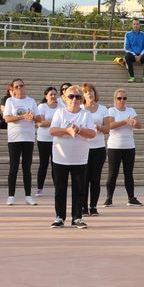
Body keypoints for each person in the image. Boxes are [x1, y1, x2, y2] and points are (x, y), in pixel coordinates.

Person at [49, 85, 96, 228]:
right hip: (60, 158)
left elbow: (92, 133)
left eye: (77, 97)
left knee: (79, 189)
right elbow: (52, 130)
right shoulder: (60, 113)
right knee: (60, 188)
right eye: (71, 96)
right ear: (65, 98)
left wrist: (79, 130)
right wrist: (67, 130)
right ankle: (59, 217)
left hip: (79, 158)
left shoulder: (86, 114)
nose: (74, 99)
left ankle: (77, 217)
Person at [3, 79, 41, 206]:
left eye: (21, 86)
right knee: (13, 167)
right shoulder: (10, 101)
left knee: (27, 168)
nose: (19, 88)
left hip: (28, 138)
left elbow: (39, 118)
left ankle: (28, 195)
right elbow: (7, 118)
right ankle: (11, 195)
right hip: (14, 138)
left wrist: (33, 117)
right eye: (17, 86)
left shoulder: (31, 101)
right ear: (13, 89)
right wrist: (22, 116)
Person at [104, 88, 143, 207]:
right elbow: (110, 125)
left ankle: (131, 198)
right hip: (115, 146)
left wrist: (134, 123)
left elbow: (139, 125)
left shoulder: (131, 110)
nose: (122, 100)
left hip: (129, 145)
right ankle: (109, 198)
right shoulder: (111, 110)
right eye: (119, 98)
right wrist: (125, 122)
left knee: (128, 173)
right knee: (113, 173)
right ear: (115, 99)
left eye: (124, 98)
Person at [81, 83, 111, 216]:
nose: (89, 94)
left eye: (91, 91)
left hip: (98, 148)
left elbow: (108, 129)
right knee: (84, 179)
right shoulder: (80, 108)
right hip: (83, 148)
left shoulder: (103, 109)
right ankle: (83, 207)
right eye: (86, 92)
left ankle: (93, 206)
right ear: (83, 95)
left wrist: (98, 127)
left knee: (95, 179)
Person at [35, 87, 61, 196]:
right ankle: (40, 187)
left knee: (56, 164)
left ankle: (58, 188)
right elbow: (40, 123)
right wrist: (55, 121)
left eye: (55, 94)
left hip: (57, 139)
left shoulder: (61, 107)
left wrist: (49, 122)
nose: (53, 96)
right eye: (51, 94)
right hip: (44, 139)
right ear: (46, 96)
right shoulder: (42, 106)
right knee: (44, 164)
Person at [124, 18, 144, 84]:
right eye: (134, 24)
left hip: (142, 55)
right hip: (132, 55)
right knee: (127, 57)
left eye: (137, 24)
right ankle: (132, 77)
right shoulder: (127, 35)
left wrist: (140, 55)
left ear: (139, 25)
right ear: (132, 25)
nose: (136, 25)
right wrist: (134, 55)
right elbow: (126, 48)